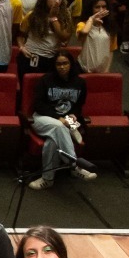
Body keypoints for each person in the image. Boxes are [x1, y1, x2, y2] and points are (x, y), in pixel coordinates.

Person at [29, 52, 98, 189]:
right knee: (59, 127)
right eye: (58, 64)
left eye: (65, 63)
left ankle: (47, 179)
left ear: (71, 64)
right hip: (42, 118)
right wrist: (58, 118)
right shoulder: (46, 80)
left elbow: (78, 105)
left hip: (66, 121)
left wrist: (74, 116)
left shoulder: (80, 83)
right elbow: (39, 105)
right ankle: (74, 166)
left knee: (52, 143)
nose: (62, 67)